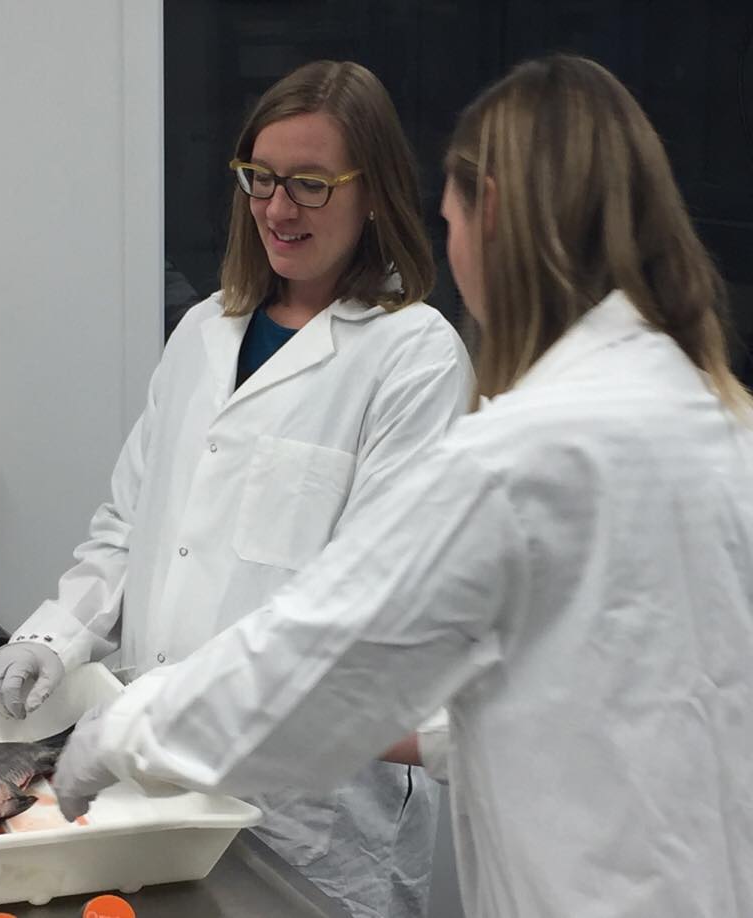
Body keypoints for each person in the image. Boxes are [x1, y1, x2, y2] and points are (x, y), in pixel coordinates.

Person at [48, 54, 753, 918]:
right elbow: (598, 691)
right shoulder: (717, 422)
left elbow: (341, 647)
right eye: (261, 180)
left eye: (452, 221)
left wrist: (129, 731)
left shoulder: (527, 449)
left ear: (491, 213)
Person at [0, 60, 474, 918]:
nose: (278, 209)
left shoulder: (413, 358)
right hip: (158, 789)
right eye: (262, 178)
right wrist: (55, 638)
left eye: (311, 184)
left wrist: (179, 713)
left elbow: (368, 609)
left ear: (374, 194)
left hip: (312, 813)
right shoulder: (204, 332)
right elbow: (130, 526)